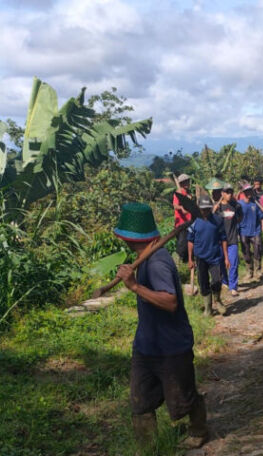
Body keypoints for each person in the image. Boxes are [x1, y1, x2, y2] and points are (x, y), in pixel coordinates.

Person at [104, 203, 207, 451]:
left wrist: (135, 287)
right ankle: (148, 448)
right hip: (146, 345)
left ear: (128, 238)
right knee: (140, 402)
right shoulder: (146, 257)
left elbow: (170, 301)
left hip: (171, 346)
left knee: (182, 396)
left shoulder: (158, 262)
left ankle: (198, 429)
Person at [188, 194, 230, 316]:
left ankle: (217, 300)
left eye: (207, 208)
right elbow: (190, 241)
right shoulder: (194, 221)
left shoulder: (217, 220)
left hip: (215, 256)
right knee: (203, 282)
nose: (205, 211)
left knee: (217, 280)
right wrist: (190, 259)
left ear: (211, 208)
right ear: (199, 208)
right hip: (200, 257)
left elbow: (223, 239)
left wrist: (226, 257)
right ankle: (208, 308)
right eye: (203, 209)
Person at [219, 183, 243, 297]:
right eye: (227, 192)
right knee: (222, 263)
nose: (229, 194)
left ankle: (233, 286)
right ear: (222, 193)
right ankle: (225, 281)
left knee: (233, 263)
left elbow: (240, 216)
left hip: (232, 239)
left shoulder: (236, 206)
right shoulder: (218, 207)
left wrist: (234, 226)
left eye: (231, 192)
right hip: (220, 241)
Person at [239, 184, 263, 279]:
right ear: (243, 193)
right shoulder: (240, 204)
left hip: (255, 230)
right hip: (243, 231)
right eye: (247, 191)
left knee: (257, 250)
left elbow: (261, 215)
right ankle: (249, 271)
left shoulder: (255, 203)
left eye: (250, 191)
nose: (249, 193)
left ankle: (258, 270)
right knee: (246, 252)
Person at [173, 174, 193, 264]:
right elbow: (175, 205)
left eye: (187, 181)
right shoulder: (178, 193)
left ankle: (187, 263)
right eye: (184, 182)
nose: (187, 183)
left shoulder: (189, 194)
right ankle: (176, 264)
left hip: (189, 223)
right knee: (182, 245)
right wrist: (182, 208)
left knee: (189, 244)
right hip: (181, 224)